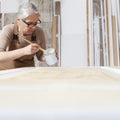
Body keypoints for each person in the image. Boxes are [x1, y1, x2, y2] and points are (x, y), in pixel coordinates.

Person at [0, 2, 46, 70]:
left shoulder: (39, 32)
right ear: (18, 20)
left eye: (35, 23)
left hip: (28, 72)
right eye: (29, 23)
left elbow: (40, 56)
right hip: (8, 73)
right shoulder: (9, 30)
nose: (33, 27)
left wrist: (48, 57)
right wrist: (24, 51)